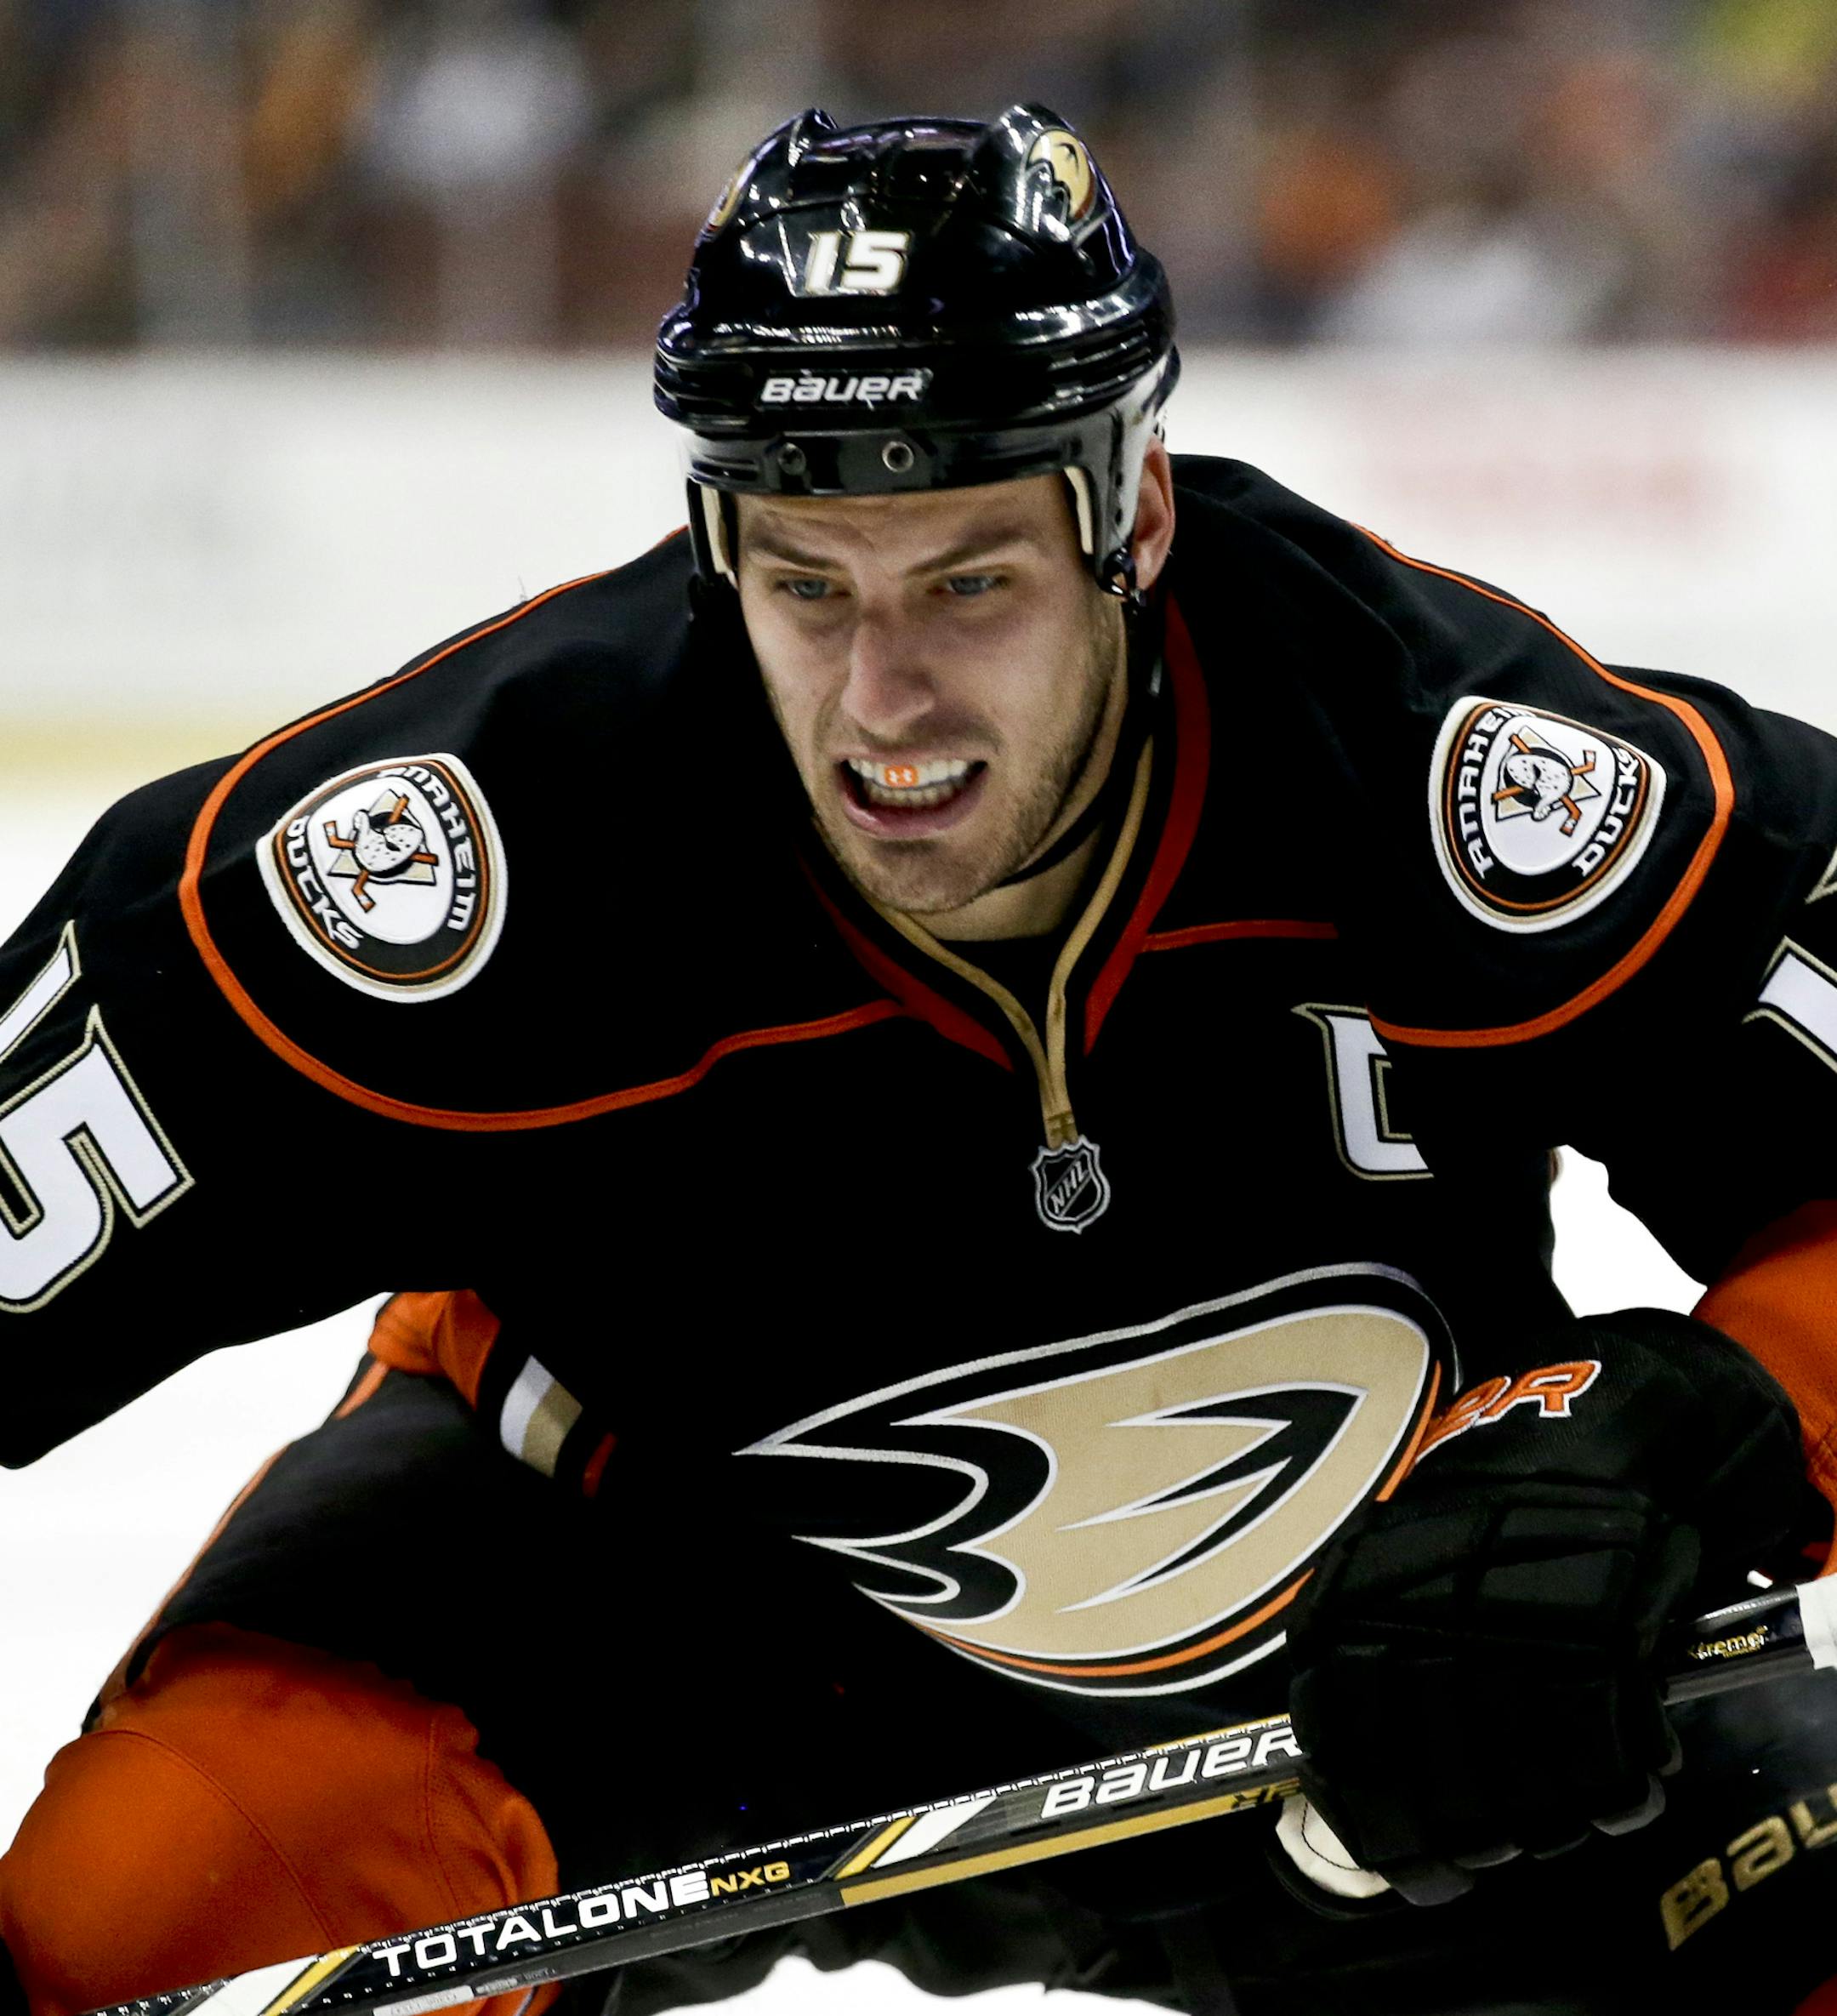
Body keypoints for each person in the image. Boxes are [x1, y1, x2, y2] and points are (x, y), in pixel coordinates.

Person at [3, 102, 1837, 2016]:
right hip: (646, 1611)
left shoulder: (1440, 763)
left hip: (1390, 1669)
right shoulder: (457, 867)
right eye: (808, 582)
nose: (885, 704)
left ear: (1132, 512)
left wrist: (1671, 1435)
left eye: (968, 583)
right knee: (142, 1918)